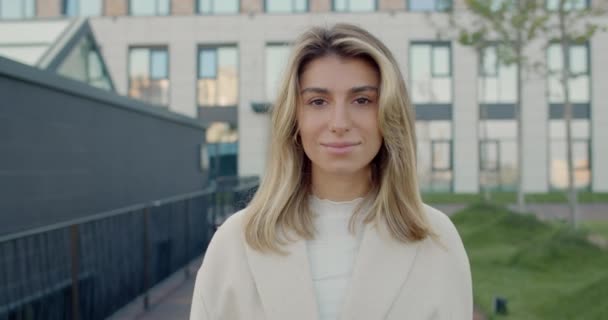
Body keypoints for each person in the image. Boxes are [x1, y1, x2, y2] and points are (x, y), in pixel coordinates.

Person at [190, 23, 472, 320]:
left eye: (362, 100)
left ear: (389, 113)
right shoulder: (235, 242)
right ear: (294, 118)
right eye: (318, 101)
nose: (339, 122)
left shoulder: (436, 238)